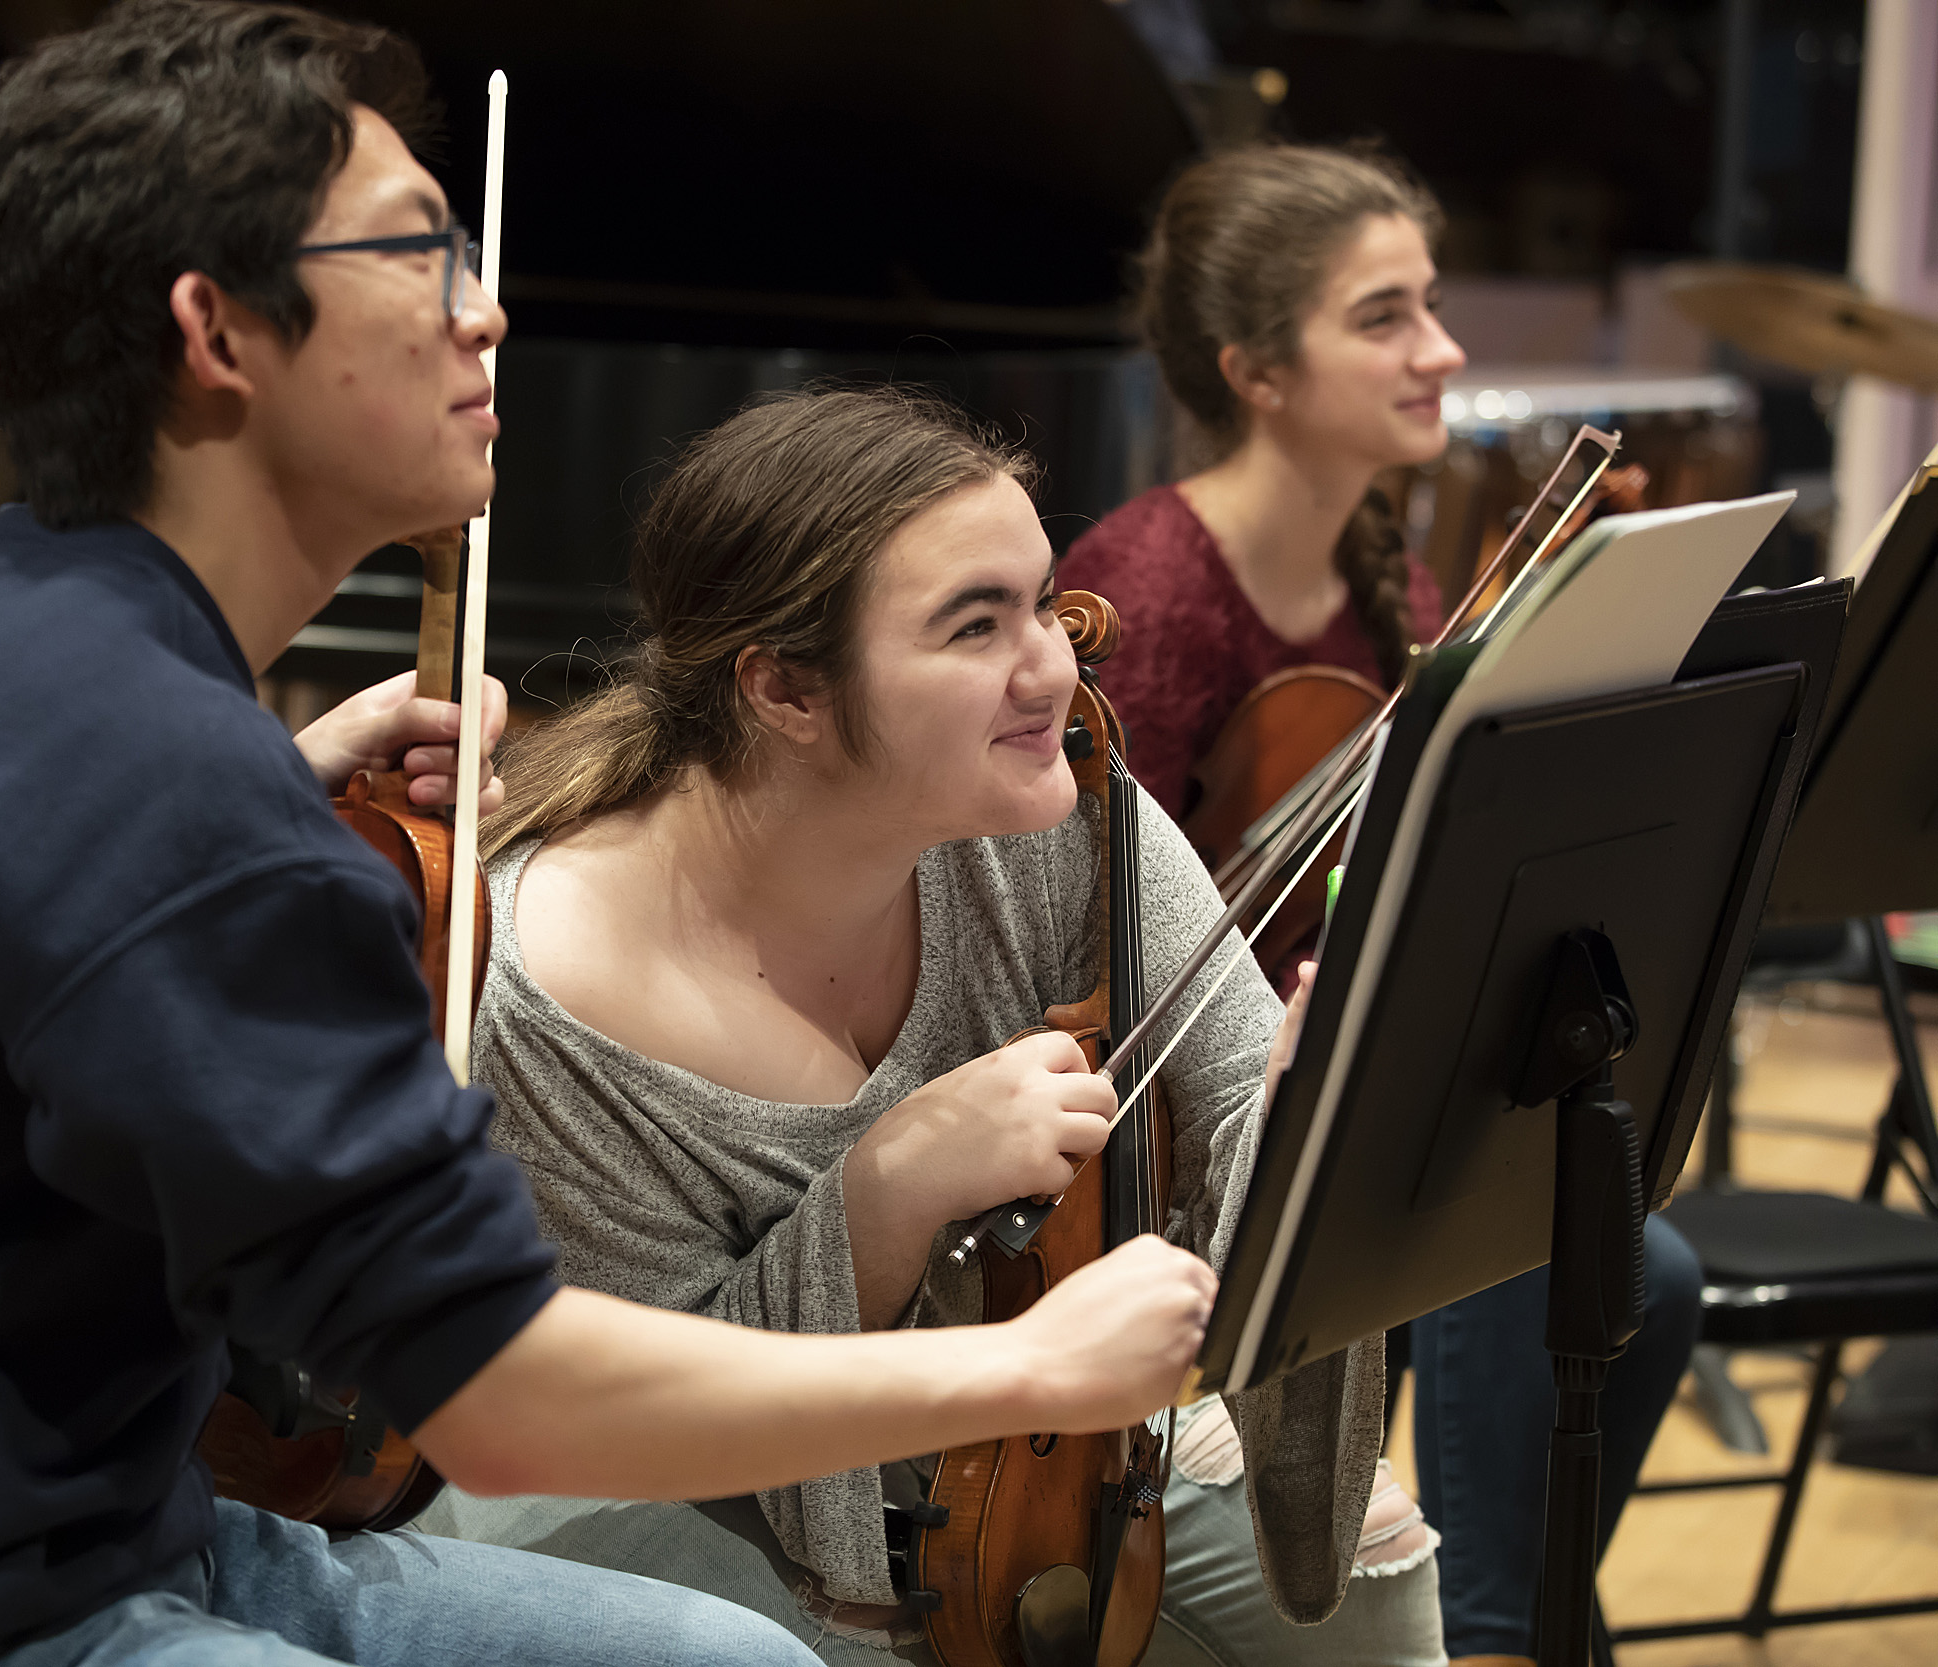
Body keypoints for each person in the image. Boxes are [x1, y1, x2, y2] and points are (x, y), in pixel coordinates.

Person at [0, 7, 1218, 1666]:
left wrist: (264, 787)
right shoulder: (160, 786)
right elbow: (505, 1399)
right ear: (221, 333)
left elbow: (2, 933)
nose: (483, 316)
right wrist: (1028, 1369)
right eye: (416, 257)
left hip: (66, 1515)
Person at [410, 384, 1444, 1667]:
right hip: (660, 1515)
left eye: (1043, 603)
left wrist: (1317, 1114)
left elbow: (1245, 1106)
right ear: (785, 688)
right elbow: (635, 1426)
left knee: (1372, 1561)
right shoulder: (545, 996)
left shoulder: (1064, 808)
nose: (1053, 666)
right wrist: (880, 1199)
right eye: (973, 627)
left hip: (1012, 1443)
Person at [1053, 143, 1702, 1667]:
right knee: (1496, 1240)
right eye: (1388, 317)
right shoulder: (1145, 582)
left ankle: (1497, 1622)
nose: (1445, 351)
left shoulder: (1382, 575)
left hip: (1351, 1078)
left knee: (1643, 1268)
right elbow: (1075, 934)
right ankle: (1481, 1633)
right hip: (1183, 1128)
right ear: (1258, 371)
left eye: (1434, 308)